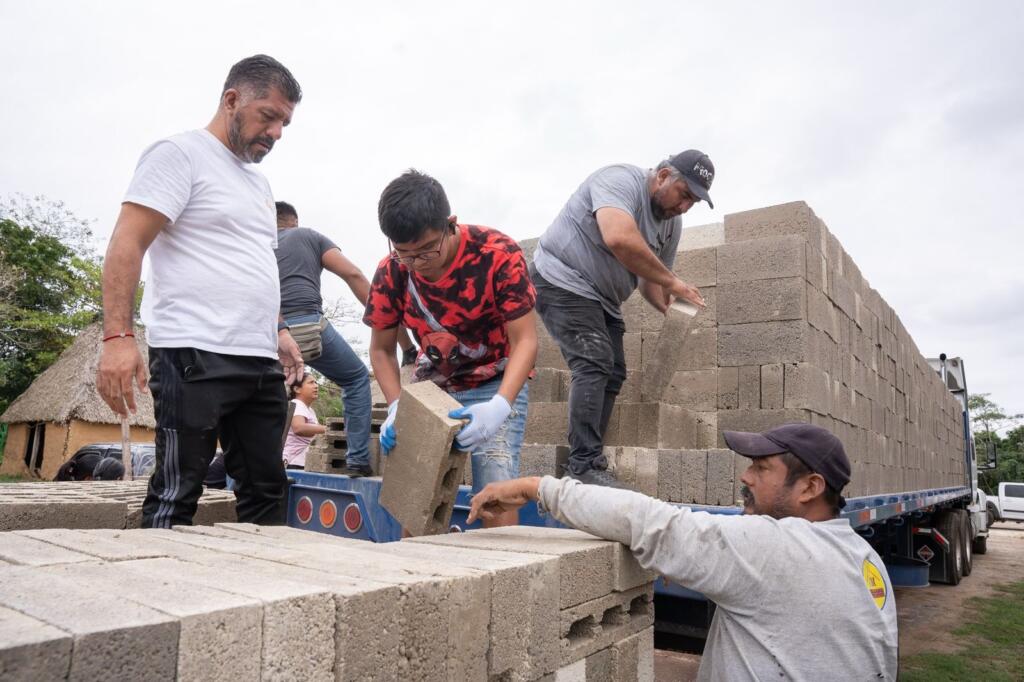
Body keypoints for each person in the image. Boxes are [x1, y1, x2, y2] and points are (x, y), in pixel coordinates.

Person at [468, 423, 899, 681]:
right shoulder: (861, 558)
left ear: (810, 487)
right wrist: (694, 562)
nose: (746, 476)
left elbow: (650, 521)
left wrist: (535, 487)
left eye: (762, 468)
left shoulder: (775, 548)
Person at [95, 54, 305, 528]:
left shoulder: (258, 183)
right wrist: (118, 338)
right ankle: (159, 595)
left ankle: (260, 594)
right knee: (178, 490)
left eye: (285, 123)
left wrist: (279, 331)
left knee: (267, 487)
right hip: (193, 354)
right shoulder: (179, 153)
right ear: (232, 100)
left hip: (257, 359)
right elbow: (127, 242)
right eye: (268, 116)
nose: (275, 133)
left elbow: (254, 263)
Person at [363, 170, 538, 527]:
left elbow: (525, 340)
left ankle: (505, 575)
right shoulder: (392, 272)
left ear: (450, 225)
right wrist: (397, 404)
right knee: (416, 495)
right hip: (433, 386)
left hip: (494, 378)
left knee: (495, 484)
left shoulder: (497, 255)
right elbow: (381, 350)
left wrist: (499, 407)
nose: (417, 264)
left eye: (427, 251)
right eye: (405, 254)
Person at [530, 150, 713, 487]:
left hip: (603, 298)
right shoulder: (619, 180)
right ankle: (583, 464)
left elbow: (650, 279)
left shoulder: (671, 225)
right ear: (662, 177)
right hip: (560, 277)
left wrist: (670, 309)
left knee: (614, 371)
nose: (685, 206)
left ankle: (589, 458)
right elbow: (619, 237)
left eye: (693, 203)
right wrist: (674, 283)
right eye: (684, 194)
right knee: (594, 360)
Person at [275, 201, 415, 476]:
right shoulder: (309, 236)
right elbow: (353, 274)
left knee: (255, 402)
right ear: (294, 221)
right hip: (308, 324)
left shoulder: (254, 242)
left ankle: (243, 479)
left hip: (268, 332)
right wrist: (405, 345)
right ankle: (358, 460)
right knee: (355, 379)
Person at [282, 372, 326, 468]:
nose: (316, 386)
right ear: (297, 389)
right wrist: (329, 430)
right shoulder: (297, 404)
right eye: (311, 383)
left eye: (316, 382)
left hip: (301, 462)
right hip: (294, 462)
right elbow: (299, 428)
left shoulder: (309, 410)